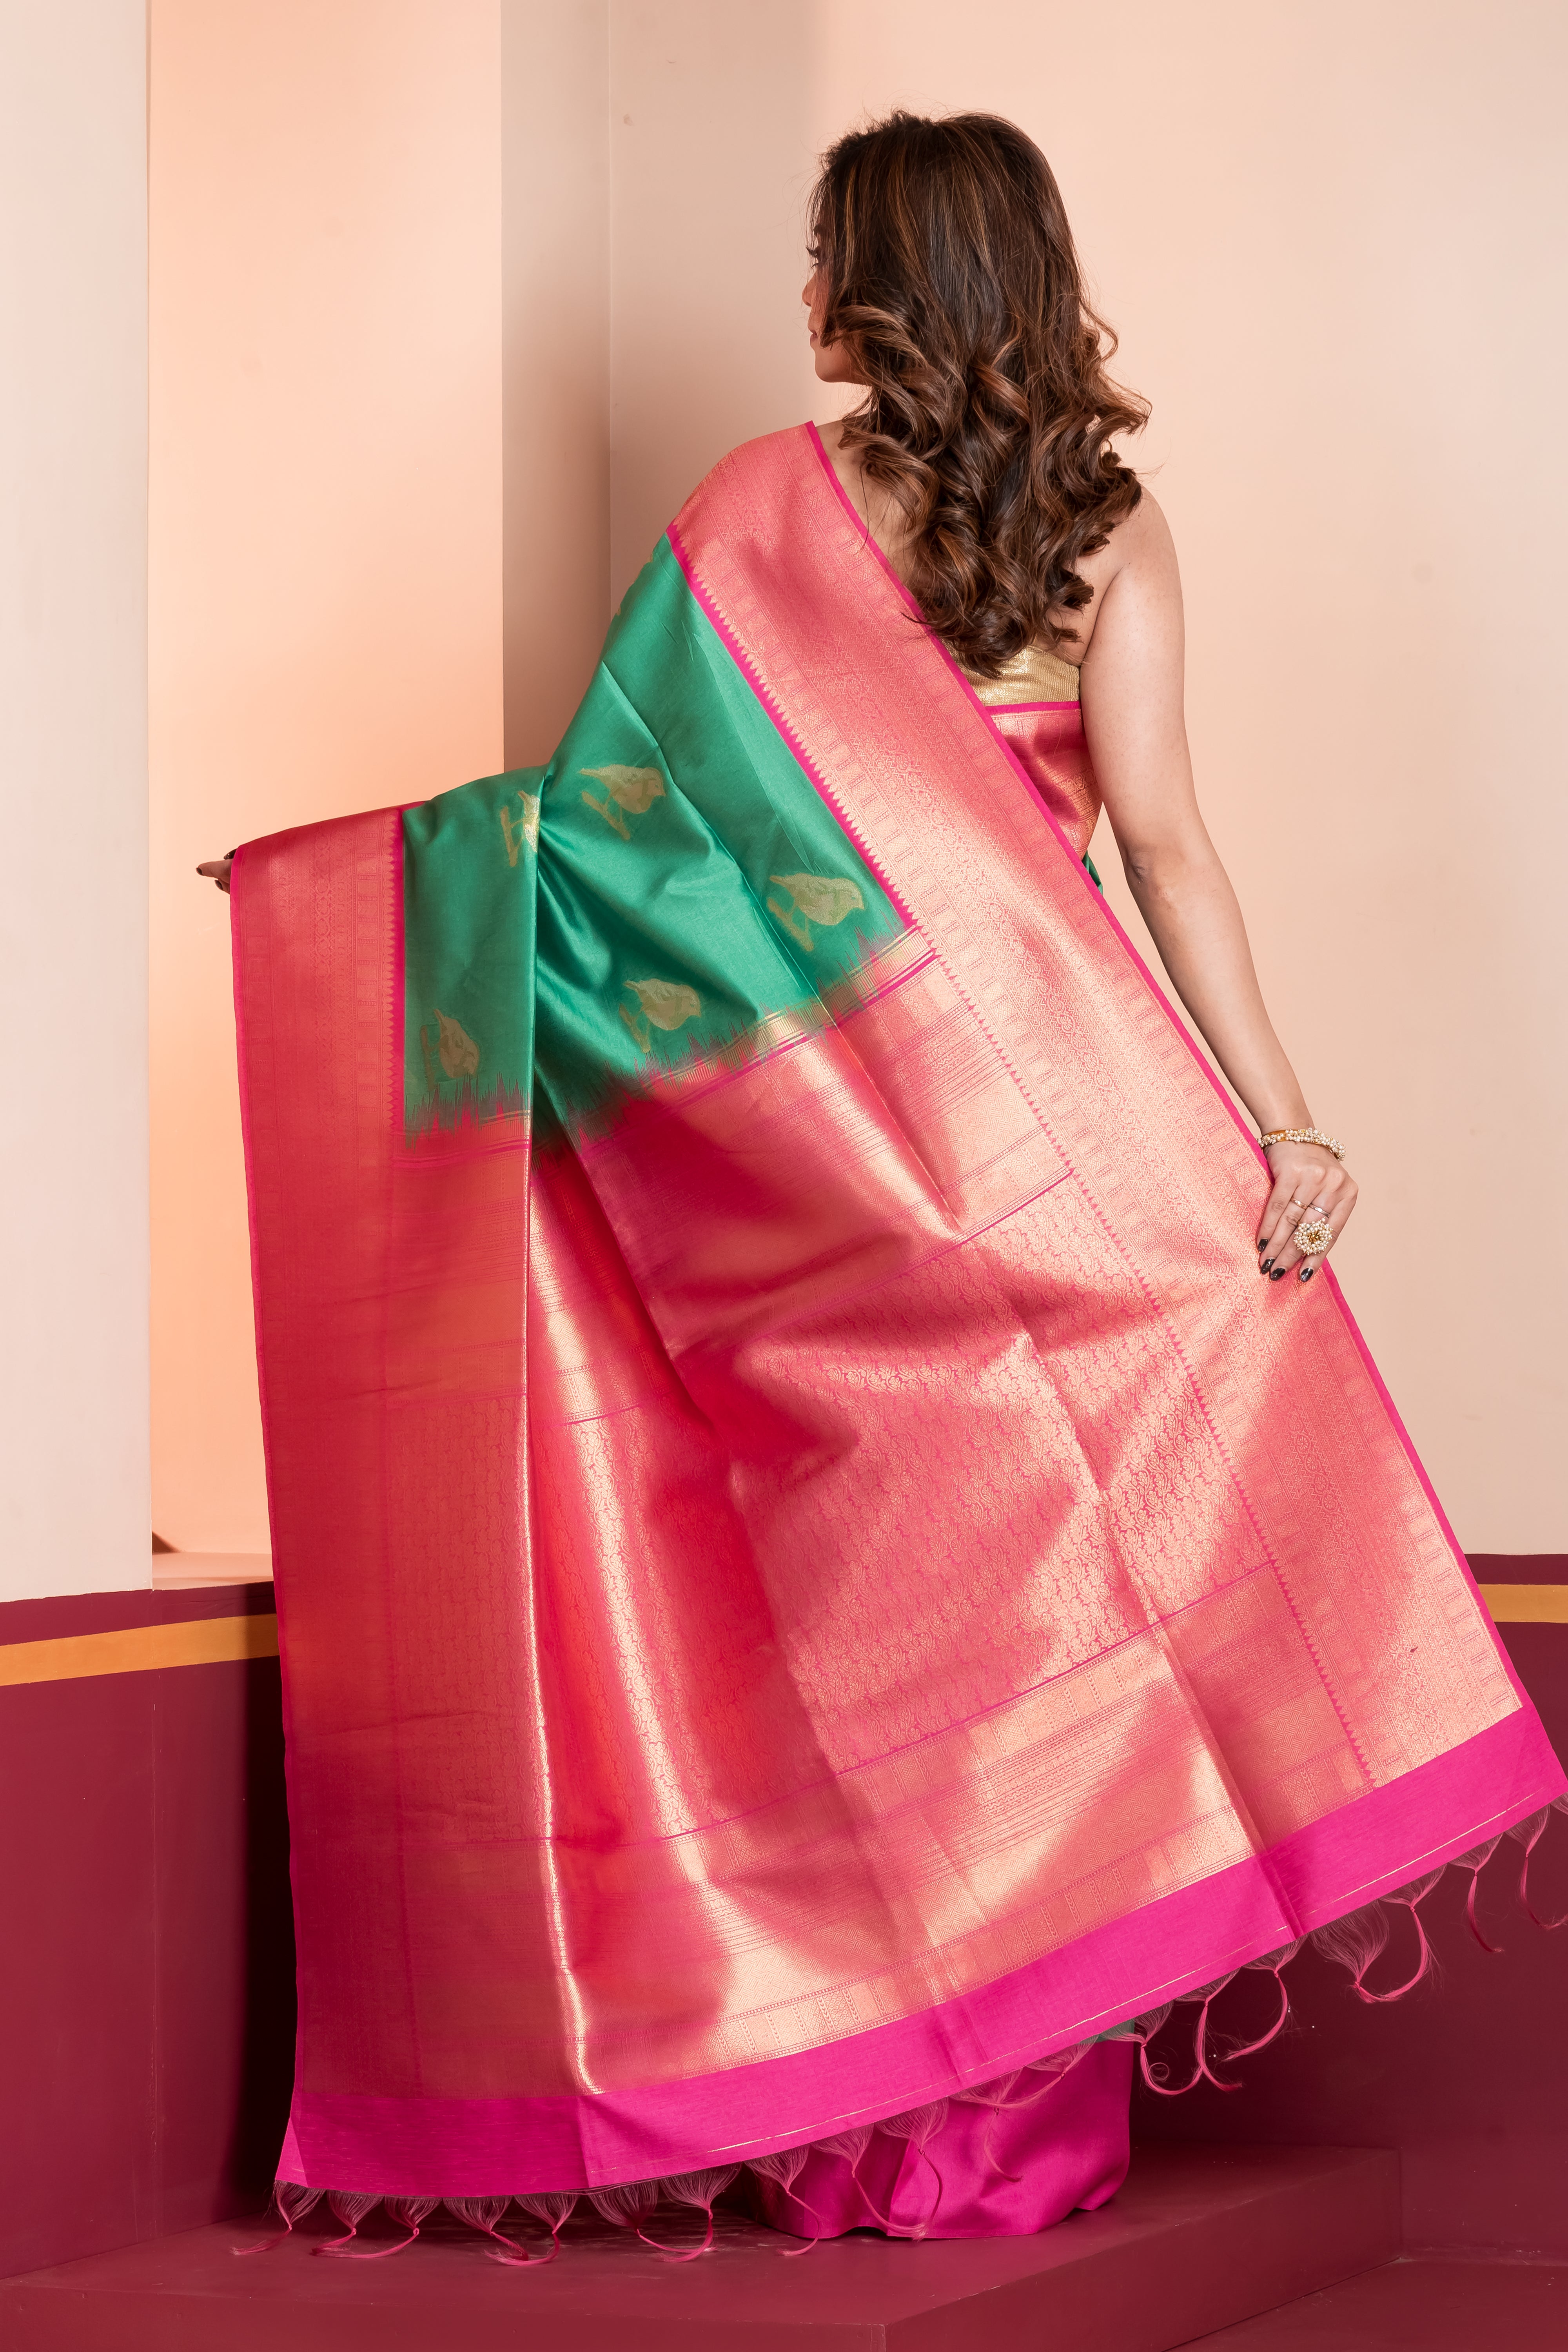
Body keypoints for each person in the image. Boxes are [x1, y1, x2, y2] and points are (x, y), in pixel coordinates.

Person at [204, 113, 1561, 2257]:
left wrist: (384, 901)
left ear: (876, 285)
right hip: (1068, 1152)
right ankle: (1005, 2139)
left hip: (837, 1189)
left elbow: (623, 861)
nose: (804, 290)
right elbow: (1164, 850)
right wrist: (1279, 1128)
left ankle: (864, 2115)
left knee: (877, 1663)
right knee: (1064, 1636)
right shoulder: (1114, 531)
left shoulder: (766, 510)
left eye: (824, 251)